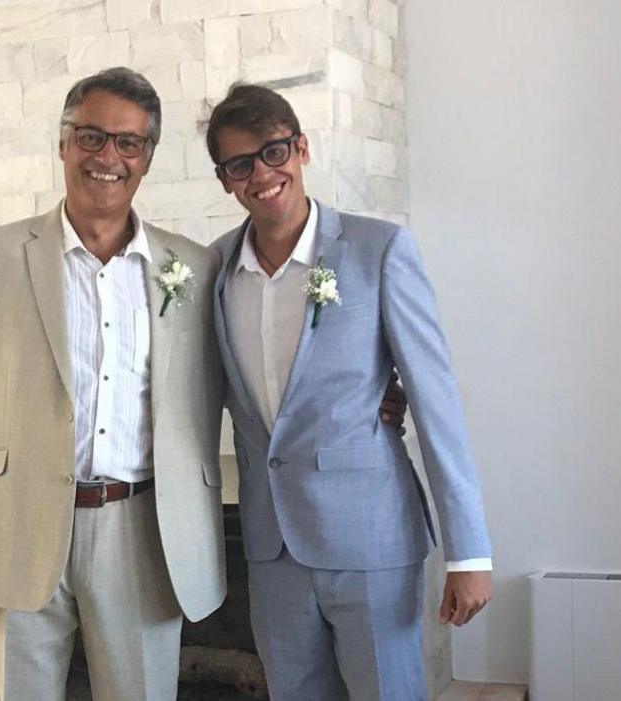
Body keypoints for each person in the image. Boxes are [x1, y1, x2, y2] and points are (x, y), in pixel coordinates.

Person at [0, 67, 227, 701]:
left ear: (146, 158)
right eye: (91, 136)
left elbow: (239, 379)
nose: (107, 156)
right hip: (15, 526)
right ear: (63, 144)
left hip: (143, 530)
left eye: (128, 142)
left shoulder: (192, 267)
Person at [206, 83, 494, 700]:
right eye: (240, 164)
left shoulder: (378, 250)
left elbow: (437, 401)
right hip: (270, 546)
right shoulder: (213, 271)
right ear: (226, 180)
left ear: (301, 149)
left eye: (273, 152)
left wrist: (469, 553)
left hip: (371, 539)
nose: (261, 173)